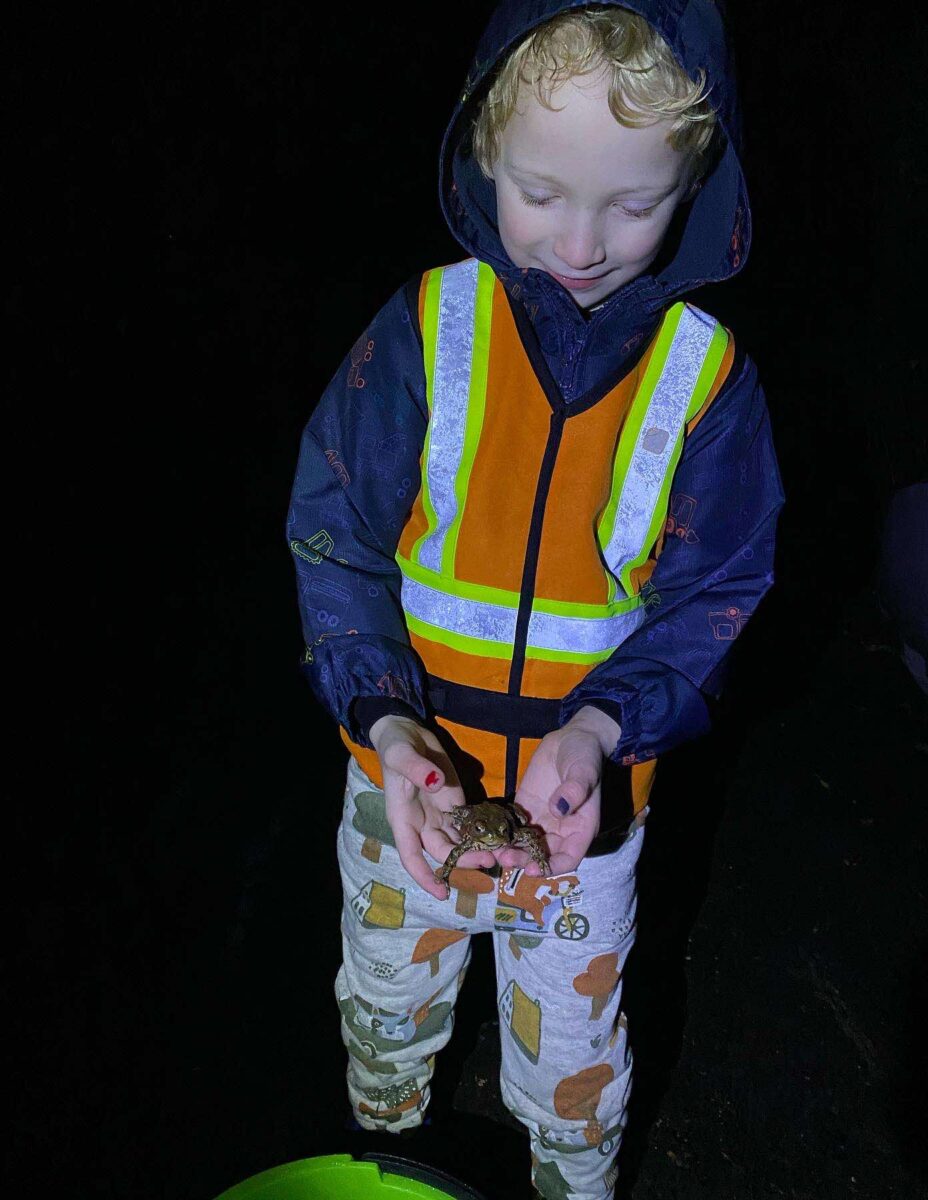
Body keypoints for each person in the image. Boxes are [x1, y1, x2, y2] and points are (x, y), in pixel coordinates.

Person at [286, 3, 784, 1196]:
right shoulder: (424, 327)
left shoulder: (707, 376)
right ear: (484, 158)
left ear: (696, 179)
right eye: (542, 191)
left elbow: (718, 589)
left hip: (582, 807)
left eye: (633, 202)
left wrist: (603, 729)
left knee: (572, 1063)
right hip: (407, 782)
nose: (583, 240)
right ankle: (386, 1162)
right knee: (386, 1009)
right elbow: (334, 534)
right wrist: (386, 723)